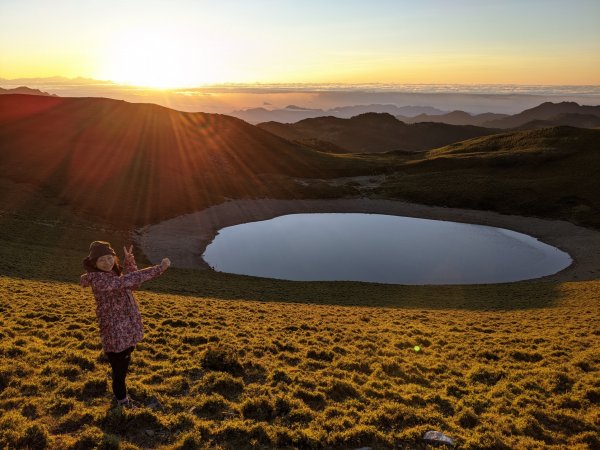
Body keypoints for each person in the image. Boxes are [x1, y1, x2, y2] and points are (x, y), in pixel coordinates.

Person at [80, 240, 170, 408]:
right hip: (115, 332)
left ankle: (120, 395)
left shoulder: (113, 274)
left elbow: (134, 284)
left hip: (126, 328)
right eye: (102, 260)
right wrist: (159, 269)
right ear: (94, 263)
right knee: (119, 370)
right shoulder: (100, 280)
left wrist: (129, 262)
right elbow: (127, 281)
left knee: (123, 362)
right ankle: (122, 402)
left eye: (109, 258)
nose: (107, 263)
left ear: (114, 258)